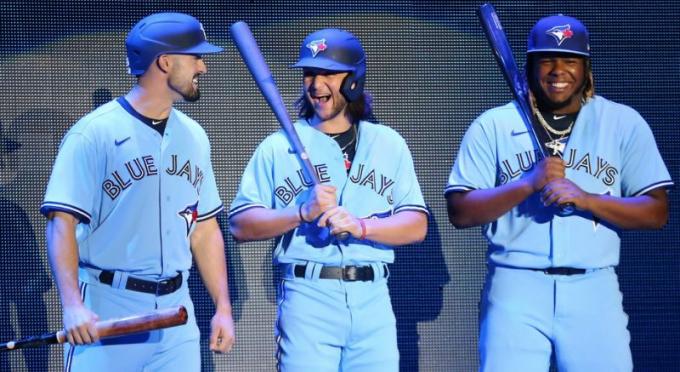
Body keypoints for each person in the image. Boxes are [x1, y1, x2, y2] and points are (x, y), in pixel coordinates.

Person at [446, 14, 673, 372]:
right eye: (548, 59)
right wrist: (525, 185)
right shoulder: (493, 125)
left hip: (594, 287)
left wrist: (588, 199)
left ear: (585, 68)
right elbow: (460, 211)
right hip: (515, 286)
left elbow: (656, 211)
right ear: (531, 65)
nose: (558, 70)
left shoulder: (622, 122)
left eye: (569, 60)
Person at [41, 12, 235, 371]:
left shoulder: (195, 136)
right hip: (109, 309)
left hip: (177, 313)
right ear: (165, 62)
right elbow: (61, 223)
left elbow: (205, 229)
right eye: (196, 57)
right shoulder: (94, 133)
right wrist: (71, 304)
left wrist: (223, 306)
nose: (203, 68)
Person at [229, 28, 428, 371]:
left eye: (328, 74)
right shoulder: (279, 146)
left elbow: (416, 224)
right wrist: (301, 212)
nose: (316, 85)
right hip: (309, 295)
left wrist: (362, 226)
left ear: (353, 79)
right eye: (310, 73)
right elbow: (241, 224)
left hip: (374, 298)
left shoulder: (388, 142)